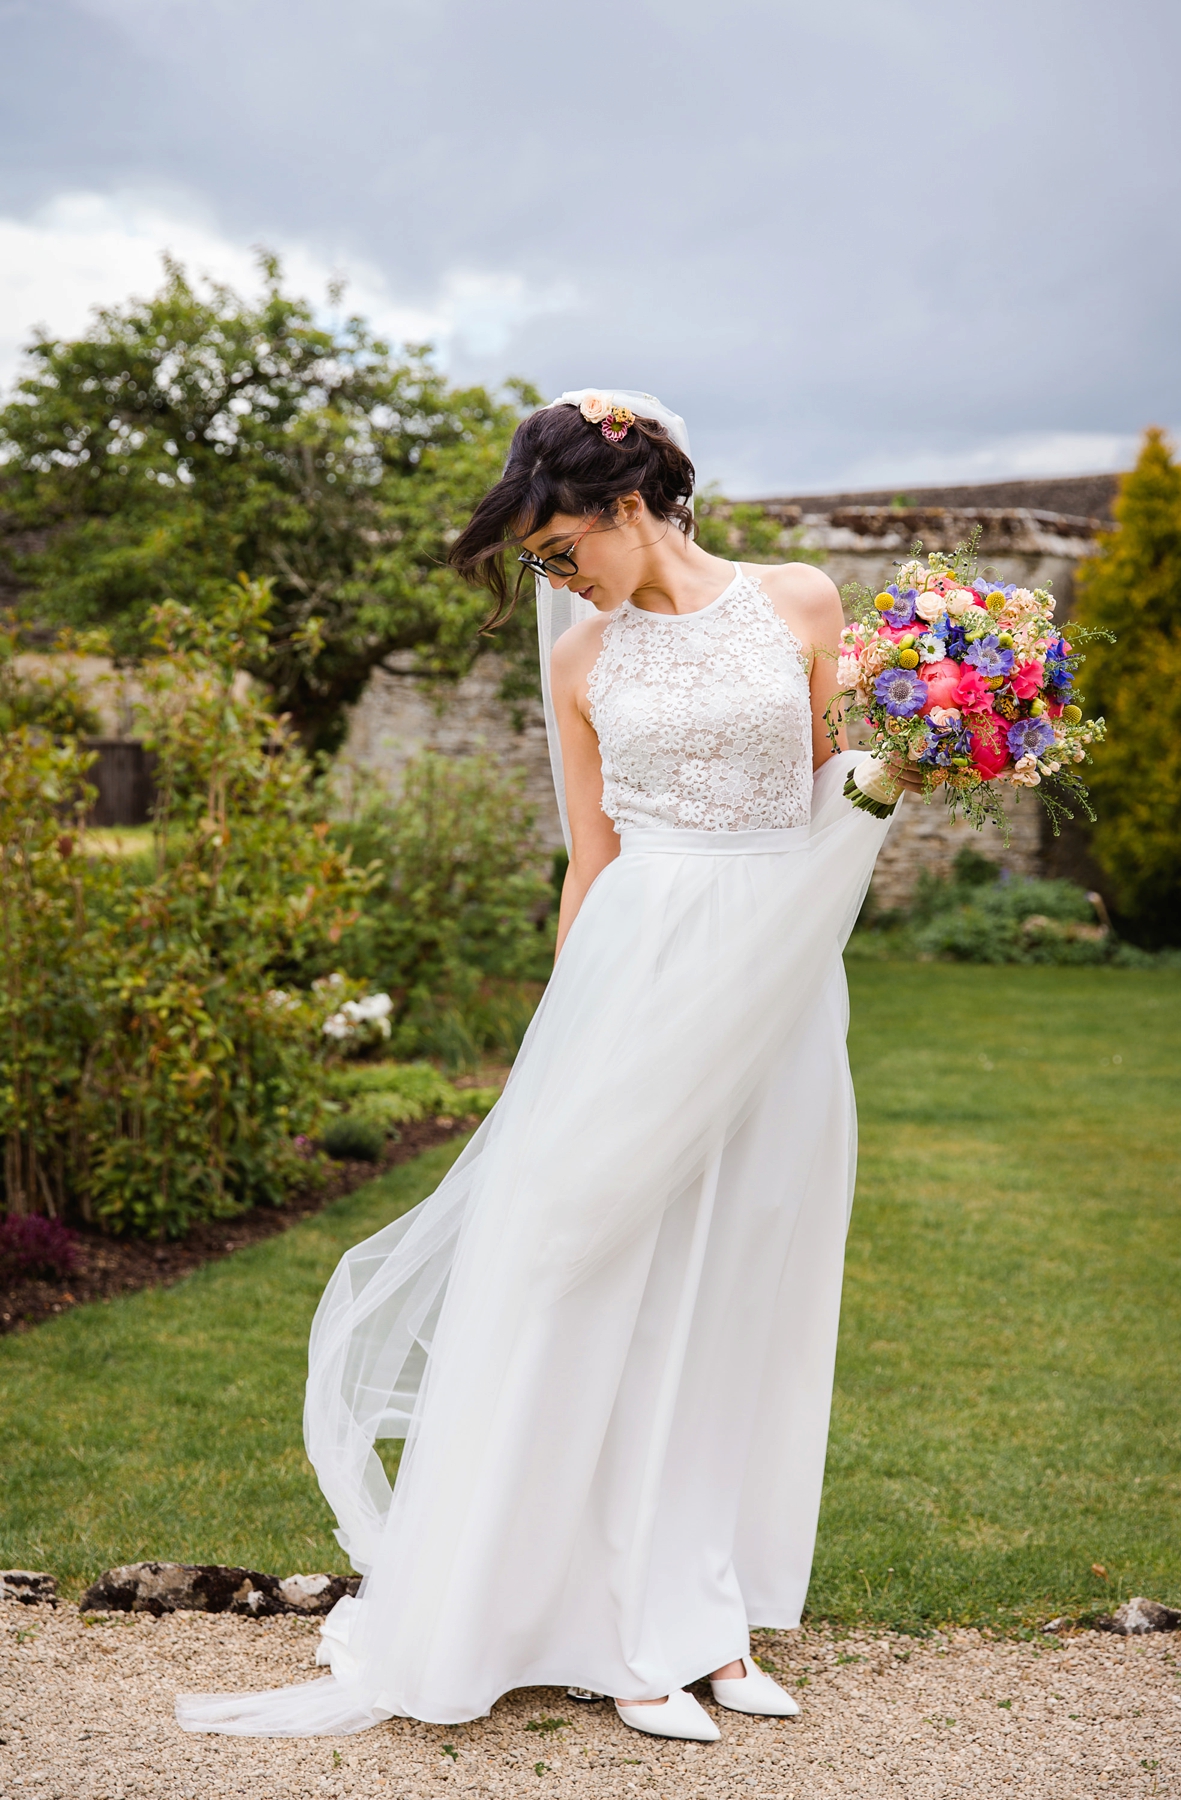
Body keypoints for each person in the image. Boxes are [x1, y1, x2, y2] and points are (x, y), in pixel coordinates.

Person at [177, 390, 902, 1746]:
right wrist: (564, 1037)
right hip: (637, 973)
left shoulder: (800, 602)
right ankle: (617, 1630)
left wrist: (908, 762)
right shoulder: (581, 667)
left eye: (557, 546)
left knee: (743, 1279)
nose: (550, 578)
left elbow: (827, 784)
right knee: (607, 1291)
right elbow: (591, 860)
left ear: (629, 506)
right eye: (534, 563)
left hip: (782, 981)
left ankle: (712, 1611)